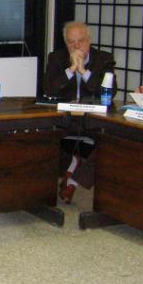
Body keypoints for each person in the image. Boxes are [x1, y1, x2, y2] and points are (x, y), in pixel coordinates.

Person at [42, 22, 116, 203]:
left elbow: (110, 91)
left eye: (81, 41)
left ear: (89, 40)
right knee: (42, 140)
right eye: (71, 42)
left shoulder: (104, 59)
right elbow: (48, 89)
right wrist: (70, 70)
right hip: (65, 119)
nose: (76, 46)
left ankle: (72, 181)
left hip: (93, 119)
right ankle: (71, 167)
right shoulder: (57, 58)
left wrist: (83, 71)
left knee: (109, 146)